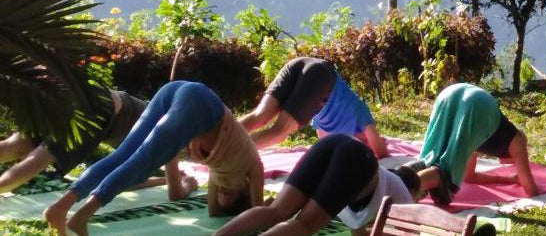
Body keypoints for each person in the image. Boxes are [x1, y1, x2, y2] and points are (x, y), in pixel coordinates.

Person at [44, 80, 264, 236]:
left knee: (124, 155)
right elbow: (258, 215)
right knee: (141, 162)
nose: (222, 191)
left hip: (183, 93)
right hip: (200, 103)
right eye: (229, 194)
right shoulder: (252, 166)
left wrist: (189, 186)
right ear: (244, 191)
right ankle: (81, 217)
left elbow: (213, 212)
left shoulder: (221, 173)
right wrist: (261, 208)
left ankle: (60, 207)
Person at [211, 133, 420, 236]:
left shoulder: (373, 192)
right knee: (305, 224)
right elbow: (410, 230)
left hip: (334, 142)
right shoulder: (403, 197)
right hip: (357, 159)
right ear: (413, 191)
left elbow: (358, 232)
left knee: (277, 211)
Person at [408, 83, 538, 205]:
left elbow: (469, 177)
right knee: (446, 172)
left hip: (451, 94)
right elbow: (531, 190)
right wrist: (540, 194)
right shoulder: (518, 141)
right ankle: (406, 190)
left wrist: (507, 179)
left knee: (431, 156)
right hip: (478, 105)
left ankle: (402, 178)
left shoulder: (482, 132)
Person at [0, 89, 148, 194]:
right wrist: (160, 181)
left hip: (84, 94)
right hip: (96, 108)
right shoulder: (160, 135)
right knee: (37, 160)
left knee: (16, 146)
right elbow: (126, 181)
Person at [239, 57, 388, 158]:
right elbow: (381, 154)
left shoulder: (331, 131)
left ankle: (224, 142)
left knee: (260, 116)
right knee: (279, 132)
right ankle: (231, 154)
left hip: (301, 63)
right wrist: (377, 145)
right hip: (321, 76)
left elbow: (325, 149)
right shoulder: (364, 118)